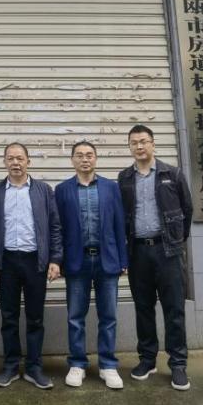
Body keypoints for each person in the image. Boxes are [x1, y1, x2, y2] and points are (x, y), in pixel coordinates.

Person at [117, 124, 194, 391]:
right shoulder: (124, 178)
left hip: (167, 251)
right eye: (134, 142)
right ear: (129, 147)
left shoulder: (172, 174)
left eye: (143, 141)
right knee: (143, 308)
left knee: (174, 309)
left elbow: (187, 210)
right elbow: (122, 215)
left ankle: (178, 364)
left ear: (153, 143)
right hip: (138, 252)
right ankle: (147, 359)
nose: (139, 146)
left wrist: (175, 241)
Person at [0, 142, 62, 389]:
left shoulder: (43, 190)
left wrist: (55, 259)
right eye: (10, 158)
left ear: (28, 161)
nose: (15, 163)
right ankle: (10, 366)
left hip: (35, 261)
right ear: (4, 162)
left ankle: (34, 368)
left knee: (35, 318)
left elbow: (55, 226)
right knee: (9, 317)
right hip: (6, 262)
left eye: (20, 158)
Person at [55, 140, 129, 390]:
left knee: (109, 316)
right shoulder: (62, 190)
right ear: (72, 160)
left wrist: (123, 259)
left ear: (96, 159)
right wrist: (58, 260)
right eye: (79, 155)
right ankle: (77, 363)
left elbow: (120, 224)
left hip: (107, 259)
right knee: (75, 316)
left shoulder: (111, 187)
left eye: (89, 155)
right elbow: (58, 229)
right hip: (77, 261)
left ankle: (108, 365)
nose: (84, 159)